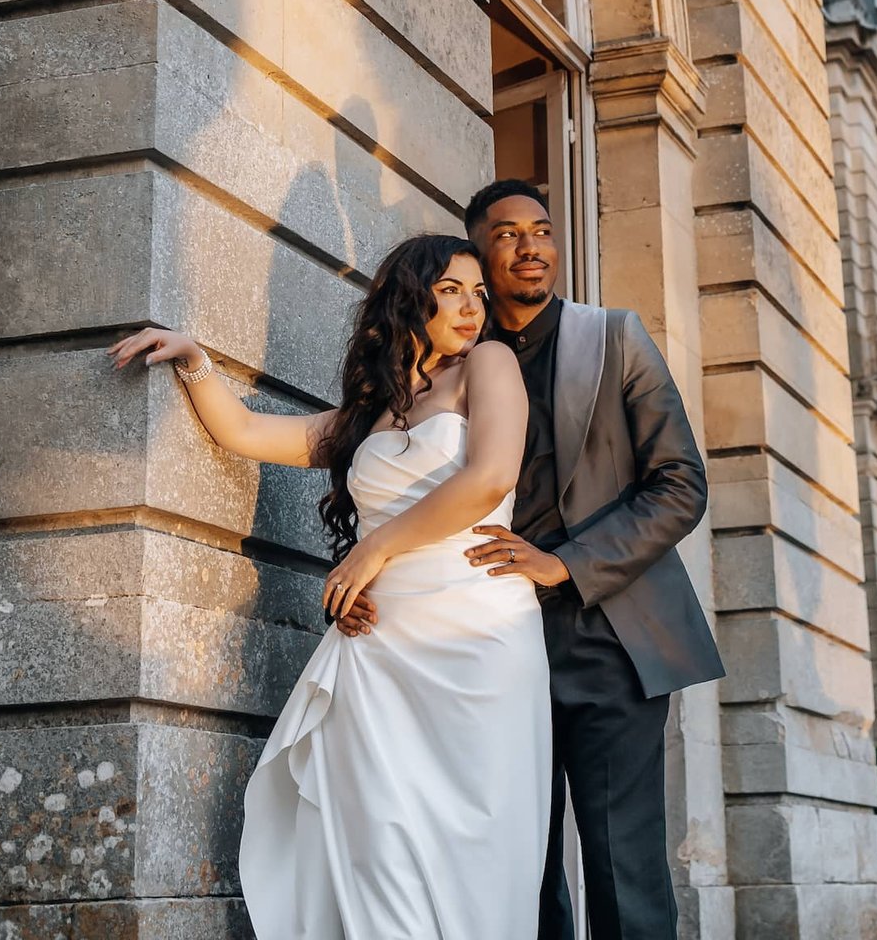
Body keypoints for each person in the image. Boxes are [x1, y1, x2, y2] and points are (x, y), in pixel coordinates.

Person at [107, 234, 549, 938]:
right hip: (380, 644)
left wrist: (371, 550)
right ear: (409, 299)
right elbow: (246, 432)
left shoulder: (489, 364)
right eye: (451, 290)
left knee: (472, 845)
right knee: (373, 835)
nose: (471, 308)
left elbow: (490, 477)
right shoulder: (370, 413)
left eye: (478, 293)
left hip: (479, 636)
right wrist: (194, 361)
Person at [338, 180, 727, 939]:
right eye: (508, 233)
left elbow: (681, 485)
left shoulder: (614, 337)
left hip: (605, 633)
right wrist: (367, 571)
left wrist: (566, 565)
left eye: (542, 231)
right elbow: (387, 484)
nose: (531, 246)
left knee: (624, 867)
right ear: (475, 255)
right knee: (516, 867)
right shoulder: (437, 371)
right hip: (480, 641)